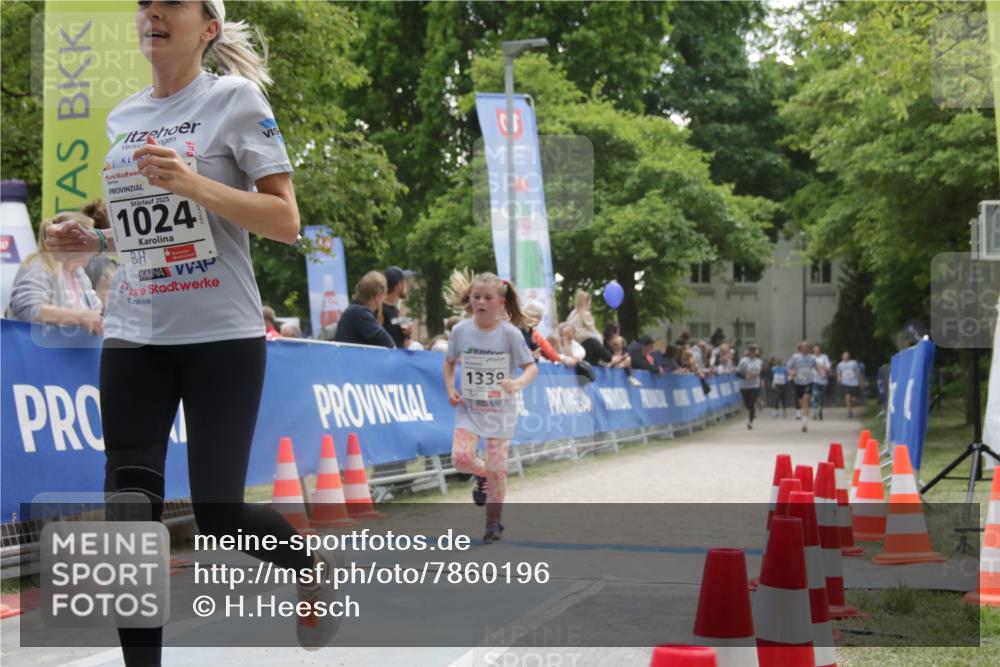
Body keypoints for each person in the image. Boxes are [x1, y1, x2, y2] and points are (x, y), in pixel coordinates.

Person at [44, 1, 337, 660]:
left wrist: (195, 182)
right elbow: (150, 228)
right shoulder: (122, 117)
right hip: (136, 331)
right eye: (144, 3)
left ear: (206, 27)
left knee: (220, 514)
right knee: (128, 513)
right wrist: (89, 236)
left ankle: (309, 563)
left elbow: (286, 220)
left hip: (220, 336)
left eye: (169, 2)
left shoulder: (235, 99)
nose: (151, 10)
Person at [443, 270, 537, 543]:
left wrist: (518, 383)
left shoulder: (510, 334)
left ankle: (493, 523)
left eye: (487, 297)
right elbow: (449, 361)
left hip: (500, 410)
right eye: (476, 297)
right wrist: (450, 388)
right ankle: (483, 474)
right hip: (470, 408)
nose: (481, 302)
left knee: (499, 468)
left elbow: (531, 368)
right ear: (469, 300)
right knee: (460, 459)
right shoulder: (460, 331)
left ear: (501, 302)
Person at [7, 211, 103, 334]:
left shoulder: (78, 272)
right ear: (71, 243)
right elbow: (27, 309)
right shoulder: (39, 266)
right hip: (36, 351)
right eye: (90, 242)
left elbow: (95, 311)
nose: (93, 249)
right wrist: (80, 317)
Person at [334, 271, 395, 348]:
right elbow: (389, 344)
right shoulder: (360, 313)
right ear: (377, 295)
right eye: (383, 295)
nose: (383, 299)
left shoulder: (353, 310)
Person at [566, 290, 612, 366]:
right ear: (587, 302)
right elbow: (592, 329)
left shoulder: (572, 313)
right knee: (598, 340)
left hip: (574, 342)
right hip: (584, 340)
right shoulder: (585, 314)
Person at [381, 266, 414, 349]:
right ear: (399, 285)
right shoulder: (380, 310)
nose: (407, 286)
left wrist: (407, 335)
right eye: (405, 281)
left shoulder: (394, 310)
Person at [787, 341, 817, 432]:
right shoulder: (795, 357)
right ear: (800, 348)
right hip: (798, 382)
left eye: (806, 347)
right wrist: (791, 373)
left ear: (809, 349)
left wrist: (822, 372)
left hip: (808, 381)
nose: (805, 349)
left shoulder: (812, 358)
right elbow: (788, 367)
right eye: (803, 347)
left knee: (806, 399)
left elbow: (815, 367)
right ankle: (804, 416)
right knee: (802, 402)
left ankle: (805, 423)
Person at [737, 344, 764, 429]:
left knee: (751, 403)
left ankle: (750, 422)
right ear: (748, 352)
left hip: (755, 385)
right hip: (744, 386)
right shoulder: (743, 361)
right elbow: (737, 373)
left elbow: (761, 373)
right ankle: (757, 404)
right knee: (747, 405)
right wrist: (745, 377)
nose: (753, 353)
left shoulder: (759, 361)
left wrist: (762, 380)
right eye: (751, 351)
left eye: (754, 351)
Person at [837, 351, 863, 418]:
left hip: (854, 383)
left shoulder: (853, 363)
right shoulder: (840, 364)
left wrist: (860, 381)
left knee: (852, 398)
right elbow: (839, 373)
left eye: (847, 356)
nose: (846, 357)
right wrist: (839, 379)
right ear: (842, 357)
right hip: (845, 383)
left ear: (849, 357)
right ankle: (849, 412)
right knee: (847, 396)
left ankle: (852, 403)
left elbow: (858, 373)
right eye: (844, 356)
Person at [811, 343, 831, 420]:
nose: (816, 351)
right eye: (815, 350)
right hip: (814, 379)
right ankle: (814, 412)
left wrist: (820, 366)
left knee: (821, 397)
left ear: (820, 350)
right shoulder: (811, 357)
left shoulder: (824, 357)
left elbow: (828, 368)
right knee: (814, 395)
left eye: (817, 350)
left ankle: (820, 409)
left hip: (823, 380)